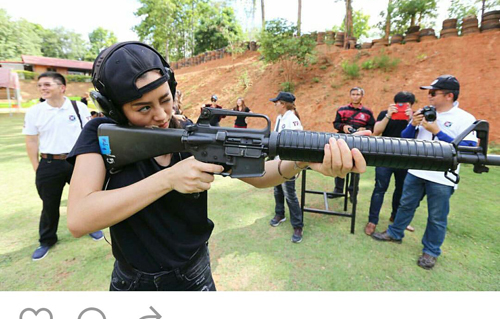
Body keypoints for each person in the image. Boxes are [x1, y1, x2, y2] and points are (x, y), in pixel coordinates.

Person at [66, 42, 367, 291]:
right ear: (115, 111)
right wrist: (169, 179)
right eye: (143, 108)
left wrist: (302, 161)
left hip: (194, 273)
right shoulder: (99, 135)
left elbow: (260, 176)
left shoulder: (191, 132)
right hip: (133, 281)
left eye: (165, 99)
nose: (160, 115)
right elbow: (79, 219)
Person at [372, 75, 477, 270]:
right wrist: (413, 124)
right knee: (405, 205)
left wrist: (437, 131)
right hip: (416, 171)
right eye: (428, 92)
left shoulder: (465, 119)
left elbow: (468, 148)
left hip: (442, 177)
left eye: (433, 92)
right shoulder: (423, 112)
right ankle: (395, 233)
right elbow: (406, 139)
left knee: (437, 216)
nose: (429, 96)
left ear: (449, 95)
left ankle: (431, 251)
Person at [22, 71, 103, 261]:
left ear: (62, 88)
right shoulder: (35, 112)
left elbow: (88, 134)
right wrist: (37, 166)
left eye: (47, 84)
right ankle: (47, 240)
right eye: (40, 85)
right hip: (49, 163)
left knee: (85, 198)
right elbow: (31, 141)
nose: (42, 88)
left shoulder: (78, 107)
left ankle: (90, 226)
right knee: (49, 205)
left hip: (76, 161)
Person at [364, 91, 416, 236]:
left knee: (401, 190)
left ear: (411, 105)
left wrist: (411, 119)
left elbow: (418, 136)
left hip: (405, 158)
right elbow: (376, 132)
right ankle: (372, 221)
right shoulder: (384, 114)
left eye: (406, 105)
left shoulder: (415, 117)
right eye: (399, 104)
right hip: (385, 156)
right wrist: (388, 115)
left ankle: (396, 218)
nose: (402, 108)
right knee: (380, 188)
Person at [268, 91, 305, 244]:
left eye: (276, 103)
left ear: (283, 104)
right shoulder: (280, 118)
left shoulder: (292, 119)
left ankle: (298, 226)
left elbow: (298, 141)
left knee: (289, 193)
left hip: (288, 163)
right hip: (277, 161)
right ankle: (280, 214)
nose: (275, 105)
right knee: (277, 189)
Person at [332, 87, 375, 196]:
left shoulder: (368, 112)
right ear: (350, 96)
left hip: (359, 143)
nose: (355, 97)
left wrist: (364, 129)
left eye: (358, 94)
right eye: (353, 94)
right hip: (342, 141)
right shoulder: (341, 109)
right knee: (340, 164)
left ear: (362, 96)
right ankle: (338, 190)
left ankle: (353, 192)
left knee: (356, 166)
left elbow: (372, 127)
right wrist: (343, 127)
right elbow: (336, 123)